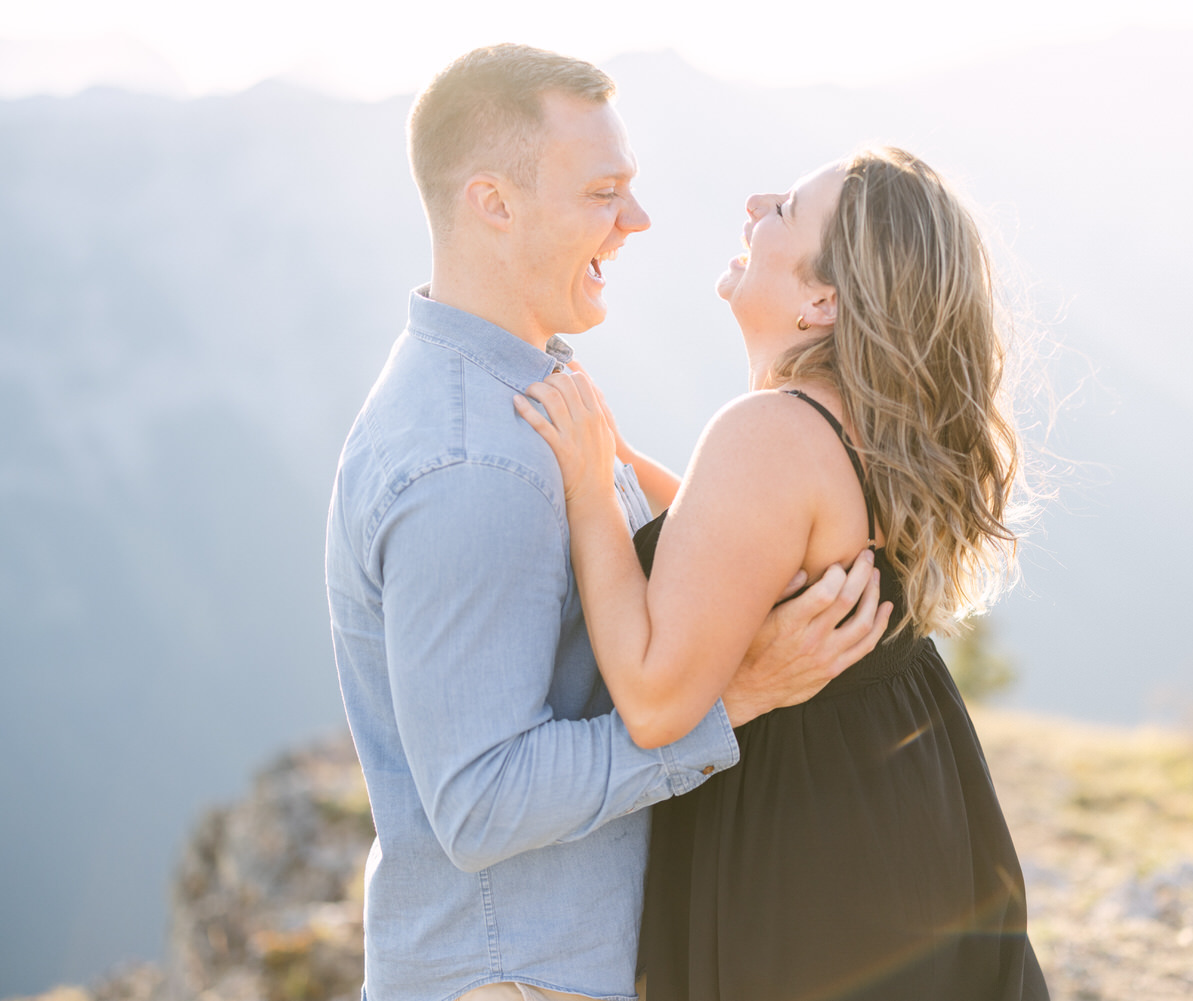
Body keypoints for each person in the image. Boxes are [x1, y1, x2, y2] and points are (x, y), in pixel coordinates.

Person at [324, 44, 891, 1001]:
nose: (637, 220)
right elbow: (482, 800)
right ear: (493, 203)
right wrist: (735, 696)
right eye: (603, 193)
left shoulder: (531, 390)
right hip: (514, 980)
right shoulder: (475, 464)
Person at [517, 147, 1050, 1000]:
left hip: (807, 858)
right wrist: (614, 453)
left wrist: (588, 490)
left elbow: (657, 701)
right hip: (906, 819)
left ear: (821, 300)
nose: (756, 201)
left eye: (787, 210)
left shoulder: (769, 430)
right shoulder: (866, 421)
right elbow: (735, 540)